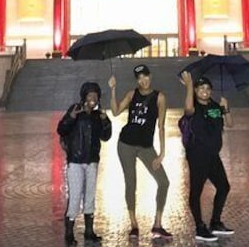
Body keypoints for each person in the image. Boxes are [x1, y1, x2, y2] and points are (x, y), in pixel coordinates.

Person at [109, 64, 172, 240]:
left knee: (164, 182)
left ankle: (157, 225)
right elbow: (115, 111)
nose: (143, 80)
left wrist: (161, 154)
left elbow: (161, 126)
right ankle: (134, 225)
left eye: (145, 76)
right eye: (139, 78)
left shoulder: (159, 97)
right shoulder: (131, 94)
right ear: (136, 80)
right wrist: (113, 89)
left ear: (150, 76)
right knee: (131, 183)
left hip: (146, 147)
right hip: (126, 144)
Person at [180, 71, 234, 242]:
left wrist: (226, 108)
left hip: (212, 155)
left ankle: (215, 222)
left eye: (208, 88)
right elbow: (188, 109)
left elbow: (230, 124)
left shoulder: (215, 106)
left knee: (224, 187)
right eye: (201, 88)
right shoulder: (194, 107)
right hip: (197, 155)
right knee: (196, 192)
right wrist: (189, 85)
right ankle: (199, 227)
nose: (205, 91)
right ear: (196, 91)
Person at [57, 81, 112, 245]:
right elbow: (61, 129)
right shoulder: (76, 110)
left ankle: (89, 231)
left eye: (95, 95)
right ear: (84, 97)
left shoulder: (98, 115)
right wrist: (71, 116)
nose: (93, 98)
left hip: (92, 161)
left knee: (90, 197)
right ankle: (69, 232)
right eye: (90, 95)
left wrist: (105, 120)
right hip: (75, 161)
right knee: (74, 197)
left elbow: (106, 136)